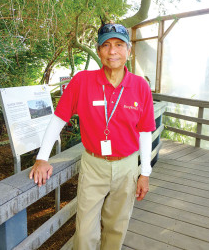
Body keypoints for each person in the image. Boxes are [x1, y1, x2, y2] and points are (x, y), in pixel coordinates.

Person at [29, 23, 156, 250]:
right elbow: (58, 119)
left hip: (127, 166)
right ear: (98, 51)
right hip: (93, 165)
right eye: (106, 45)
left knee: (116, 227)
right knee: (86, 232)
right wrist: (42, 158)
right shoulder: (82, 81)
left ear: (129, 50)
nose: (112, 51)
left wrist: (144, 172)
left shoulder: (140, 86)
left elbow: (145, 131)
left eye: (119, 45)